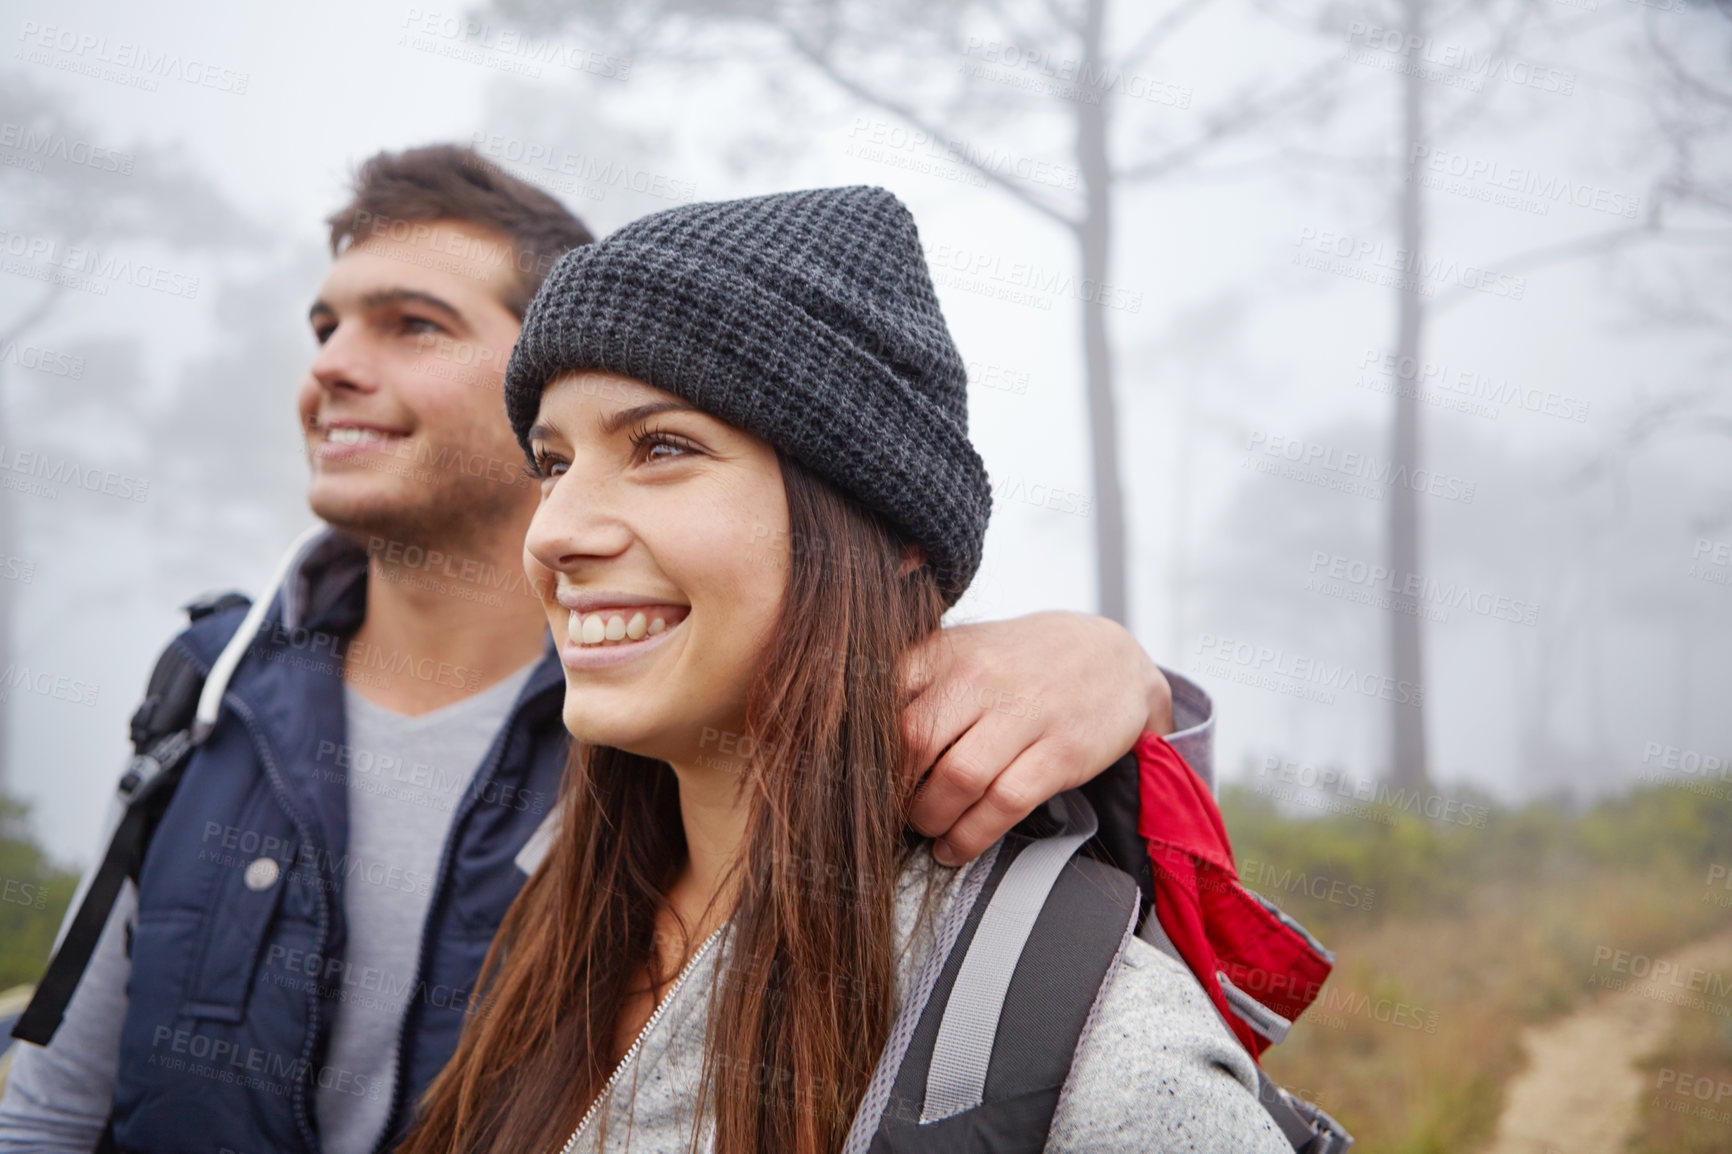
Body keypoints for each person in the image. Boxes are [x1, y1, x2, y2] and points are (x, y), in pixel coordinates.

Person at [0, 150, 1214, 1154]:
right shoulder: (215, 697)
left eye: (662, 445)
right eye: (558, 460)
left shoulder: (1058, 1034)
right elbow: (49, 1101)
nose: (331, 364)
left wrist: (1124, 676)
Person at [398, 186, 1287, 1154]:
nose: (556, 532)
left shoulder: (1087, 1045)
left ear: (888, 530)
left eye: (660, 447)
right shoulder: (550, 907)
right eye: (553, 462)